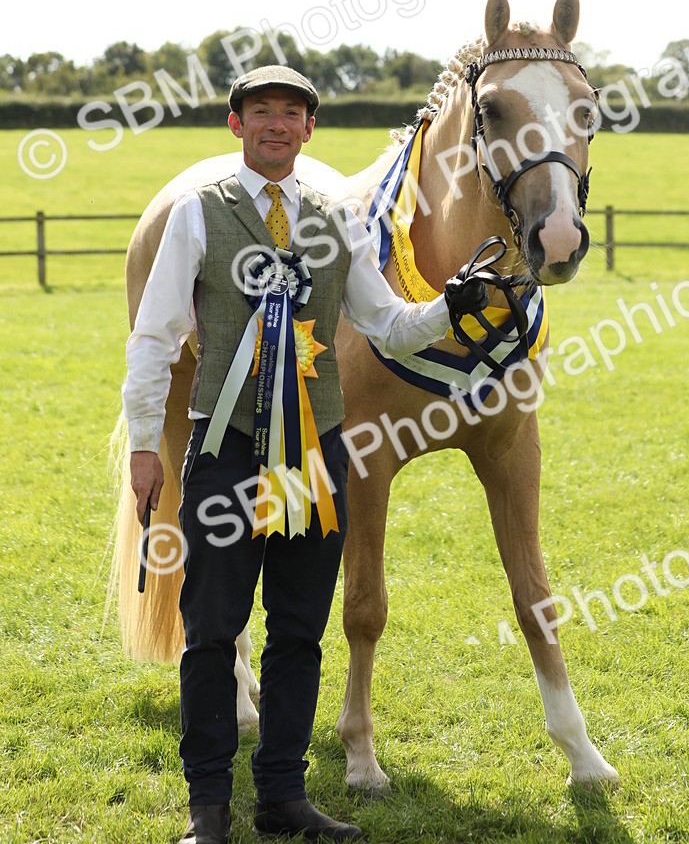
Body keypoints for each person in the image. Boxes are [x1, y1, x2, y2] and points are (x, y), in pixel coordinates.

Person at [123, 65, 486, 844]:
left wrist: (447, 309)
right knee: (213, 630)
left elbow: (386, 324)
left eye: (292, 114)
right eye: (262, 114)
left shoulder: (338, 220)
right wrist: (147, 445)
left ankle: (284, 797)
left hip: (309, 463)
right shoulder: (196, 214)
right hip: (225, 454)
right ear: (237, 126)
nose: (277, 126)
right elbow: (153, 338)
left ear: (309, 130)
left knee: (297, 630)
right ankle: (207, 809)